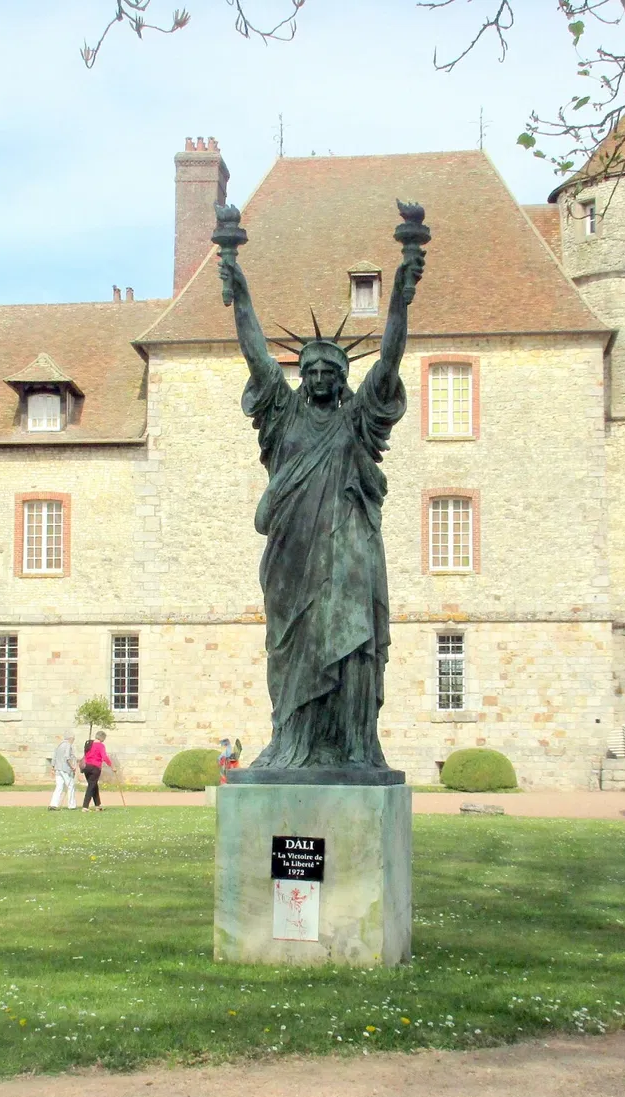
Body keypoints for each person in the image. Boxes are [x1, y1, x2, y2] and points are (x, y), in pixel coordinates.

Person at [216, 202, 426, 770]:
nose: (318, 378)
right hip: (291, 556)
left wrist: (403, 288)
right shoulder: (280, 417)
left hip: (348, 550)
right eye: (309, 371)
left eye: (329, 372)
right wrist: (238, 284)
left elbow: (390, 355)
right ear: (300, 378)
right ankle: (291, 738)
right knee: (289, 649)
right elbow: (255, 353)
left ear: (342, 380)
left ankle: (353, 746)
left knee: (352, 643)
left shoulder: (359, 420)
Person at [81, 731, 112, 810]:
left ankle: (98, 805)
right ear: (102, 738)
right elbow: (104, 757)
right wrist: (111, 765)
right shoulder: (100, 745)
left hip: (87, 767)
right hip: (95, 767)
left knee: (94, 785)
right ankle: (85, 806)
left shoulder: (88, 744)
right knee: (91, 786)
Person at [49, 733, 78, 810]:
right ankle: (72, 805)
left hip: (58, 768)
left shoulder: (59, 745)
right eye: (73, 739)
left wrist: (52, 767)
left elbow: (54, 757)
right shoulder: (68, 745)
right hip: (65, 769)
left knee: (59, 787)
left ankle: (53, 804)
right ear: (70, 738)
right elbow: (67, 757)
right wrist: (72, 766)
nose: (73, 741)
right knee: (70, 786)